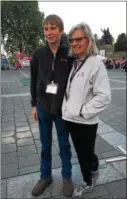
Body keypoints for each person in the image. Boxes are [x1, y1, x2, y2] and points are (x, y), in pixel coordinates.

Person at [62, 22, 111, 197]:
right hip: (71, 118)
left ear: (88, 40)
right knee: (83, 151)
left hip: (85, 120)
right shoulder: (75, 62)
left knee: (83, 154)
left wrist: (82, 111)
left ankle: (88, 181)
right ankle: (93, 164)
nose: (74, 43)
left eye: (78, 39)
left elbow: (104, 96)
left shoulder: (96, 63)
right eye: (71, 40)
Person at [30, 14, 73, 197]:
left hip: (63, 108)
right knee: (45, 144)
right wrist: (34, 105)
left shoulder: (69, 53)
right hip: (43, 106)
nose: (49, 32)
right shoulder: (38, 54)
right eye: (46, 28)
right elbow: (33, 80)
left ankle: (67, 177)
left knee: (64, 144)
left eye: (53, 28)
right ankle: (45, 176)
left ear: (61, 31)